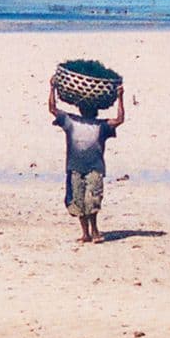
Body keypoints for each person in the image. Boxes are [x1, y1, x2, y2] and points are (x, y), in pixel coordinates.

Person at [47, 81, 124, 243]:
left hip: (94, 168)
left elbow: (119, 120)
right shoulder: (73, 122)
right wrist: (120, 98)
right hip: (76, 167)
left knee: (92, 201)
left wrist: (52, 88)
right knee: (79, 201)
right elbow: (120, 119)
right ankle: (86, 233)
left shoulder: (97, 125)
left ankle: (94, 231)